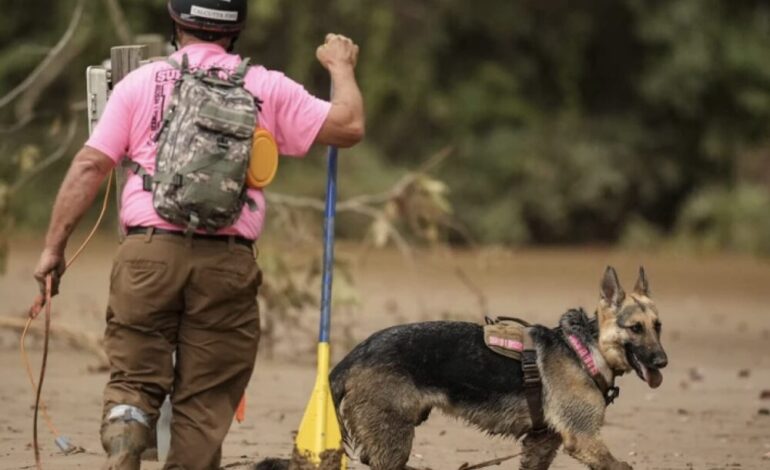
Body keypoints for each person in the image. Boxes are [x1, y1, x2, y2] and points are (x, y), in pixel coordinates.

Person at [32, 0, 364, 468]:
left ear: (176, 21)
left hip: (147, 255)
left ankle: (127, 435)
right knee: (205, 400)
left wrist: (53, 248)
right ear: (237, 29)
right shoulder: (264, 85)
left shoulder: (141, 82)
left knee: (134, 377)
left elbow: (90, 165)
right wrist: (340, 66)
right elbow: (349, 125)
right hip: (227, 263)